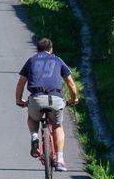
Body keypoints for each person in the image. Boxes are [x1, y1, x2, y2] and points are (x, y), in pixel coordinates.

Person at [13, 38, 79, 171]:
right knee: (57, 126)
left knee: (32, 118)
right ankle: (60, 159)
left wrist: (19, 100)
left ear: (38, 49)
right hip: (55, 98)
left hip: (36, 98)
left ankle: (34, 136)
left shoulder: (31, 61)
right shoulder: (57, 60)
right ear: (51, 49)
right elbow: (70, 83)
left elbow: (21, 82)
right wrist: (74, 98)